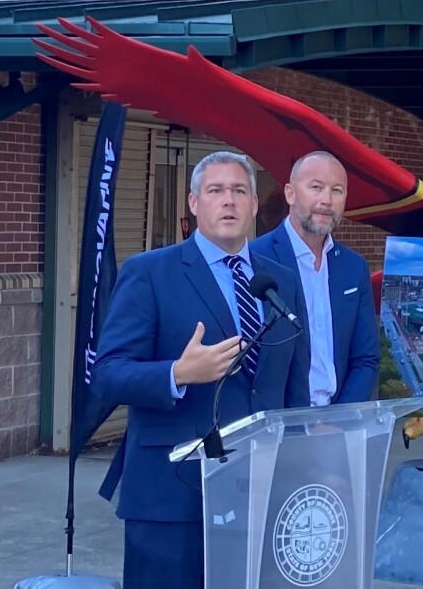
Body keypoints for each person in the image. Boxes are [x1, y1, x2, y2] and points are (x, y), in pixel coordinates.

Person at [92, 151, 310, 589]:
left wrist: (302, 466)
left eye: (238, 191)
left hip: (257, 491)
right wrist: (177, 373)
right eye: (215, 191)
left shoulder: (280, 280)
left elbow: (292, 387)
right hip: (171, 494)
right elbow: (109, 373)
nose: (227, 201)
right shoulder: (150, 272)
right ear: (193, 203)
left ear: (253, 204)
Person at [251, 150, 379, 406]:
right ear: (290, 193)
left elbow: (366, 358)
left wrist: (340, 420)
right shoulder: (255, 259)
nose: (327, 200)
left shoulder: (354, 267)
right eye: (316, 187)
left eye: (337, 190)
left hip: (340, 425)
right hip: (277, 428)